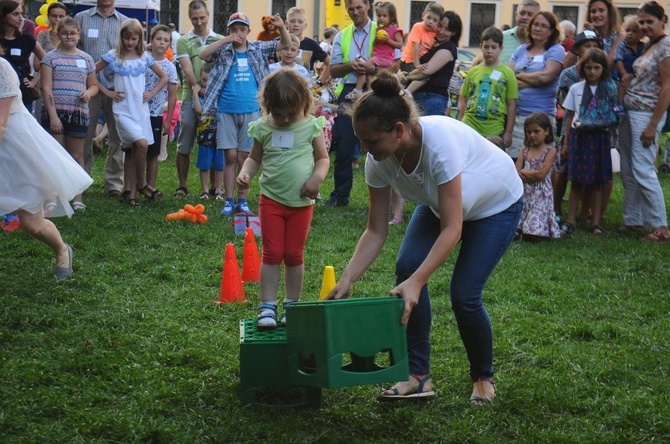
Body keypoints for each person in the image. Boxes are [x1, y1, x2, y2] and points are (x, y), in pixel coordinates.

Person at [326, 72, 522, 404]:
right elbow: (376, 229)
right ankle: (418, 376)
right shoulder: (380, 159)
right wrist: (348, 279)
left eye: (371, 140)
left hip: (496, 205)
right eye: (361, 139)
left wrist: (419, 281)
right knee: (407, 265)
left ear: (398, 130)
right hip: (441, 205)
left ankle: (483, 376)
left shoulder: (439, 144)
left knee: (464, 294)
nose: (364, 148)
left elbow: (453, 229)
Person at [237, 69, 329, 328]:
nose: (286, 119)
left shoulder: (311, 126)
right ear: (268, 107)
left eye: (292, 113)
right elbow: (254, 158)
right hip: (272, 200)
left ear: (304, 103)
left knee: (293, 254)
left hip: (301, 204)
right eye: (279, 114)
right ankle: (267, 306)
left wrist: (317, 179)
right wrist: (245, 173)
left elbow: (323, 159)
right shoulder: (263, 127)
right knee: (272, 252)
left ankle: (292, 304)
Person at [0, 52, 93, 279]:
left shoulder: (2, 69)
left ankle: (62, 249)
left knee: (33, 224)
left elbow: (1, 126)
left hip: (18, 151)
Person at [199, 12, 290, 216]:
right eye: (234, 30)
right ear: (229, 31)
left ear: (248, 31)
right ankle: (228, 200)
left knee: (244, 156)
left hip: (251, 109)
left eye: (242, 29)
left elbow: (285, 44)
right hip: (227, 109)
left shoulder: (257, 48)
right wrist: (226, 40)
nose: (238, 33)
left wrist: (282, 27)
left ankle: (243, 200)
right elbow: (203, 55)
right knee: (229, 155)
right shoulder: (223, 50)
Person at [96, 18, 168, 207]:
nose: (130, 42)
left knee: (135, 149)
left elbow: (164, 76)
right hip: (122, 110)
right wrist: (107, 92)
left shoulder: (144, 57)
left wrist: (151, 92)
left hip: (140, 110)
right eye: (127, 38)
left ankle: (131, 193)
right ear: (121, 37)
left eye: (134, 39)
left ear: (139, 39)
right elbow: (91, 72)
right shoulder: (114, 56)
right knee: (141, 144)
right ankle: (142, 184)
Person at [618, 1, 670, 242]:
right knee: (628, 168)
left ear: (663, 21)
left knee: (643, 169)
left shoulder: (666, 46)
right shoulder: (649, 46)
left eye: (650, 21)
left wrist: (653, 125)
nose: (645, 26)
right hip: (631, 111)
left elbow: (667, 87)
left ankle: (660, 227)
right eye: (642, 21)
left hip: (646, 114)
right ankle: (633, 220)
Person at [325, 0, 380, 207]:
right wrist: (351, 65)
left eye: (359, 7)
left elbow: (395, 62)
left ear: (367, 5)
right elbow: (334, 70)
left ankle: (386, 201)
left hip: (375, 87)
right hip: (349, 90)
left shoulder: (381, 30)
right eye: (351, 8)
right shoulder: (342, 35)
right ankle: (340, 195)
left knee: (383, 142)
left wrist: (371, 67)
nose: (355, 12)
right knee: (345, 144)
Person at [41, 17, 98, 211]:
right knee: (55, 156)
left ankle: (77, 197)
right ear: (58, 35)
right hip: (56, 113)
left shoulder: (86, 58)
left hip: (78, 113)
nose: (69, 36)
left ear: (78, 34)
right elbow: (46, 88)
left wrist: (88, 93)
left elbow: (94, 86)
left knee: (76, 156)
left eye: (72, 33)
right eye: (64, 33)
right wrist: (54, 116)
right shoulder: (50, 57)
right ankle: (51, 196)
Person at [561, 48, 618, 236]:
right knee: (576, 180)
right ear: (582, 68)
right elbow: (569, 117)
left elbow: (614, 114)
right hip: (579, 137)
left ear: (603, 69)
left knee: (597, 182)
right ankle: (571, 220)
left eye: (596, 67)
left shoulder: (609, 89)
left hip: (600, 137)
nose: (592, 71)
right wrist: (566, 143)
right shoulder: (576, 89)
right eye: (588, 67)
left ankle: (595, 222)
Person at [75, 0, 128, 197]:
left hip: (118, 88)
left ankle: (114, 184)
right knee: (84, 136)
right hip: (88, 88)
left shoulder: (125, 22)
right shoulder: (81, 19)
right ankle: (82, 181)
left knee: (117, 137)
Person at [173, 0, 222, 197]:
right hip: (189, 95)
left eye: (202, 18)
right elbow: (186, 69)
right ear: (189, 18)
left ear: (208, 15)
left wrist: (210, 93)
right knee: (185, 141)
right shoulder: (184, 40)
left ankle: (213, 187)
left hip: (216, 99)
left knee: (213, 140)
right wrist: (199, 90)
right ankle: (182, 185)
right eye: (195, 19)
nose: (199, 22)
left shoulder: (219, 38)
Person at [555, 30, 603, 222]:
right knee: (565, 170)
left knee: (590, 171)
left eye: (595, 46)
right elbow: (572, 102)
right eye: (587, 46)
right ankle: (556, 207)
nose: (591, 49)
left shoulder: (602, 74)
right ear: (576, 49)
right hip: (572, 129)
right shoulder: (569, 74)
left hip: (594, 130)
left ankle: (586, 212)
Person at [508, 11, 565, 162]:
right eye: (536, 24)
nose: (538, 29)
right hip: (517, 117)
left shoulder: (556, 50)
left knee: (539, 162)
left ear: (551, 31)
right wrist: (535, 79)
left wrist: (519, 76)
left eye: (544, 26)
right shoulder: (520, 50)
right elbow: (508, 78)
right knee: (516, 161)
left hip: (541, 118)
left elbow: (546, 76)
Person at [458, 26, 518, 149]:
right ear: (481, 47)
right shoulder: (473, 71)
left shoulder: (508, 73)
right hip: (470, 124)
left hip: (494, 127)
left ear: (501, 48)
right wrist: (461, 123)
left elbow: (511, 104)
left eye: (493, 47)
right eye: (486, 47)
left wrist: (508, 132)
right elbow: (464, 99)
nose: (489, 51)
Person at [516, 112, 561, 240]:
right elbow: (515, 173)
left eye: (536, 131)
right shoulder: (524, 150)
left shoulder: (550, 151)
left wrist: (524, 172)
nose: (532, 135)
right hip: (525, 192)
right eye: (529, 132)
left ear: (546, 131)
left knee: (533, 235)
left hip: (541, 194)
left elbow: (541, 175)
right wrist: (532, 174)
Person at [144, 24, 178, 189]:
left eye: (166, 40)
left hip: (155, 114)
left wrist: (168, 120)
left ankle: (150, 188)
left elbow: (172, 96)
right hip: (138, 112)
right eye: (158, 39)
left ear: (170, 44)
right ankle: (131, 187)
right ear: (151, 40)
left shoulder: (170, 67)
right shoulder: (142, 60)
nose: (162, 43)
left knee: (153, 153)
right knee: (133, 153)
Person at [345, 1, 402, 100]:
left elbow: (400, 45)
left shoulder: (394, 30)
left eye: (384, 16)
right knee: (367, 70)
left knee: (364, 67)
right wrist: (377, 38)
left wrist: (388, 40)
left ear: (392, 17)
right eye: (379, 16)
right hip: (377, 56)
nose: (381, 18)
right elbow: (376, 44)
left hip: (384, 57)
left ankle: (358, 90)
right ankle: (370, 90)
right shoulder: (379, 30)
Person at [0, 0, 45, 111]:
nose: (20, 18)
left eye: (21, 14)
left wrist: (34, 81)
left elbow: (48, 61)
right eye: (15, 14)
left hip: (20, 94)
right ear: (4, 16)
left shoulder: (26, 39)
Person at [192, 62, 222, 200]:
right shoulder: (201, 96)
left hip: (221, 136)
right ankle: (204, 190)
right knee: (204, 164)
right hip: (205, 136)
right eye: (204, 80)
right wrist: (195, 93)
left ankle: (218, 190)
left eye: (210, 80)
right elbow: (198, 110)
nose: (206, 83)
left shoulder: (221, 95)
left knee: (219, 164)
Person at [565, 0, 624, 69]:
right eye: (593, 12)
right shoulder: (588, 35)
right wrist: (585, 35)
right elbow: (566, 64)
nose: (596, 15)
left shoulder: (619, 36)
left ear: (610, 13)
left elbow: (607, 67)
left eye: (601, 10)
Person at [285, 7, 330, 85]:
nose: (296, 24)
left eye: (300, 22)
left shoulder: (311, 44)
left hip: (304, 88)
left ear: (305, 25)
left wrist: (319, 81)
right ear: (286, 23)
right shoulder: (278, 43)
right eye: (292, 21)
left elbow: (330, 63)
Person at [399, 1, 442, 73]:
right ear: (423, 16)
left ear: (438, 23)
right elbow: (415, 47)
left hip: (421, 61)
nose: (431, 22)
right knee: (419, 77)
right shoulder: (418, 27)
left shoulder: (435, 32)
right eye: (428, 17)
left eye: (435, 20)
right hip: (409, 61)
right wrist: (417, 65)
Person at [500, 0, 540, 64]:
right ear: (516, 15)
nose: (525, 17)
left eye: (530, 15)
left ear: (537, 18)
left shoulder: (540, 41)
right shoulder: (501, 37)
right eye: (522, 13)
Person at [614, 15, 645, 83]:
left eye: (634, 31)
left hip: (637, 77)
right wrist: (624, 73)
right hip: (623, 77)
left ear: (642, 35)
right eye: (627, 30)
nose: (630, 33)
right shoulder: (621, 45)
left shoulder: (643, 46)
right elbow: (618, 60)